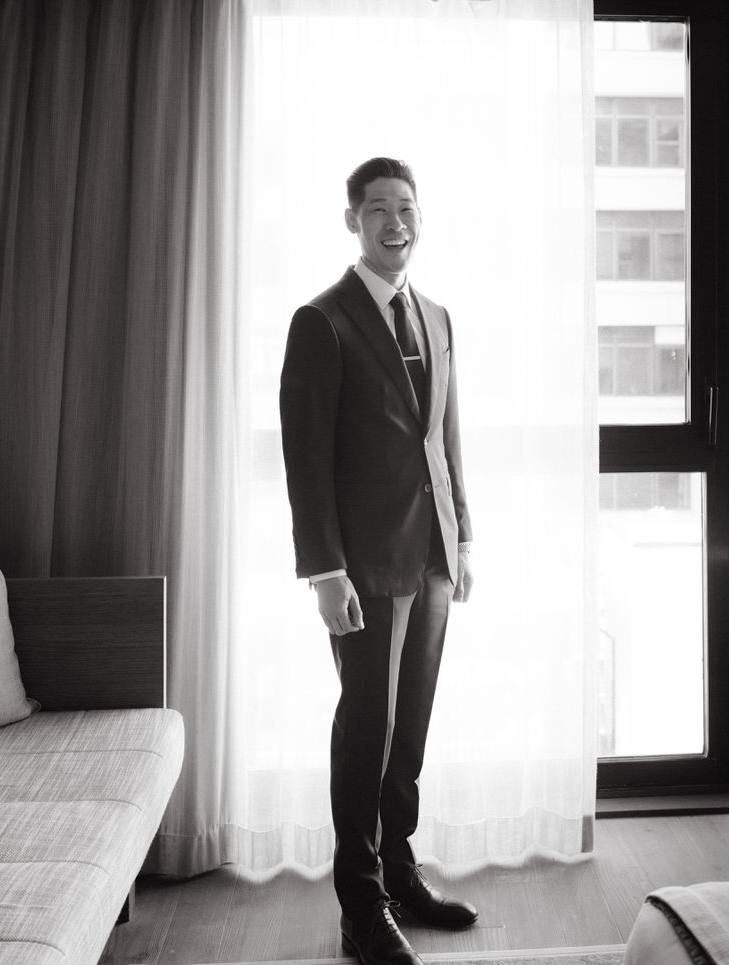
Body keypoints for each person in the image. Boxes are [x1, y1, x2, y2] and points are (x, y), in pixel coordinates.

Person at [279, 157, 478, 965]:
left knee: (412, 729)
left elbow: (446, 437)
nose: (395, 221)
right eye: (378, 209)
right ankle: (361, 907)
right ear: (353, 221)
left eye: (406, 207)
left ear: (419, 217)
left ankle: (400, 873)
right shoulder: (320, 321)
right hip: (361, 568)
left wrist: (462, 535)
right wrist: (324, 573)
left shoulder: (435, 315)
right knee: (369, 726)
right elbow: (306, 461)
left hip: (430, 556)